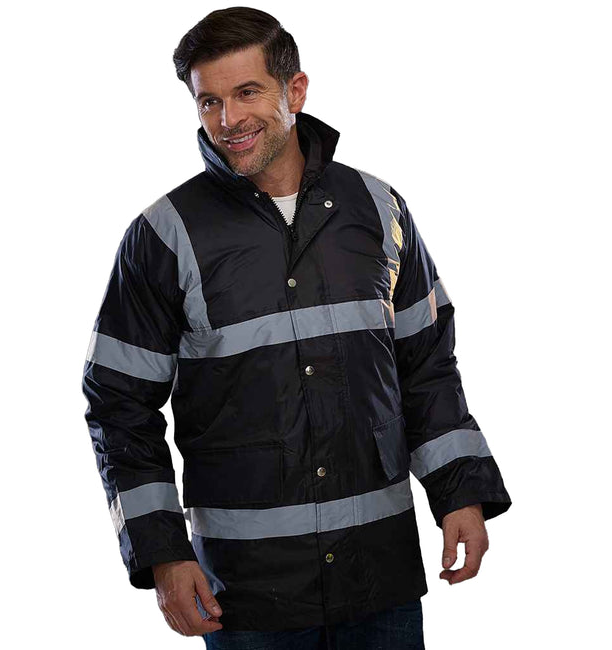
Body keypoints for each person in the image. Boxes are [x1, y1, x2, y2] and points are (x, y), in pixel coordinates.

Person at [81, 7, 512, 649]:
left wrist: (460, 494)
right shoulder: (163, 236)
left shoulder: (379, 208)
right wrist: (163, 554)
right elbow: (118, 405)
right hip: (246, 592)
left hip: (379, 576)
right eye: (209, 101)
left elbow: (427, 366)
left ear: (296, 90)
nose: (228, 119)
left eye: (247, 92)